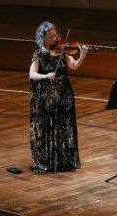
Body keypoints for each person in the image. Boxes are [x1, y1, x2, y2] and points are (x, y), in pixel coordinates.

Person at [29, 21, 88, 174]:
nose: (54, 40)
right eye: (50, 37)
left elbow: (74, 66)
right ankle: (47, 160)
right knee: (48, 127)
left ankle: (63, 161)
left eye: (55, 36)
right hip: (46, 97)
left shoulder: (63, 51)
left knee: (63, 126)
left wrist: (82, 55)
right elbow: (32, 74)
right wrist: (46, 75)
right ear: (43, 38)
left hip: (64, 95)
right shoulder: (39, 54)